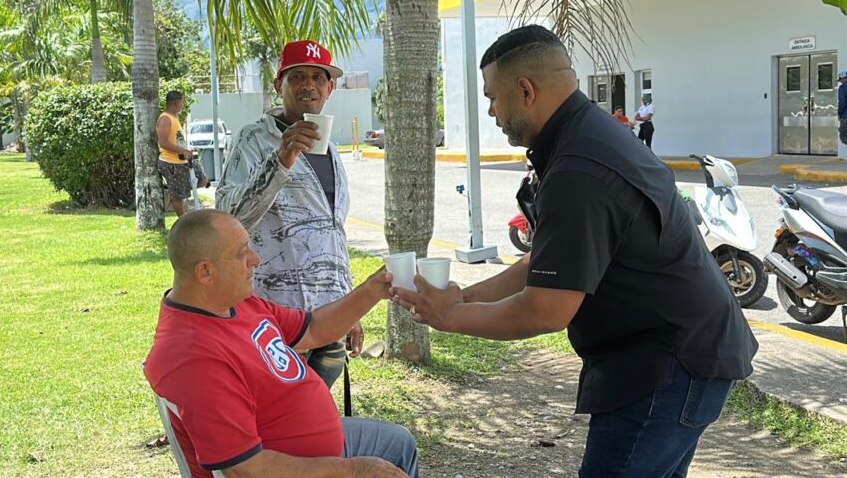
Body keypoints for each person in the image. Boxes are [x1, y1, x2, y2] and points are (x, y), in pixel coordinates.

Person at [392, 25, 758, 478]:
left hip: (667, 367)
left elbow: (546, 308)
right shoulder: (587, 136)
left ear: (525, 90)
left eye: (492, 97)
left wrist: (449, 318)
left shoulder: (578, 167)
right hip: (679, 356)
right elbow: (547, 263)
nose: (490, 111)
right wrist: (464, 298)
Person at [144, 210, 418, 478]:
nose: (255, 259)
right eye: (242, 254)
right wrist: (353, 470)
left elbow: (312, 329)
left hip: (311, 450)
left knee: (398, 444)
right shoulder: (194, 358)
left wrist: (371, 290)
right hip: (286, 467)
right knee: (390, 455)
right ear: (205, 271)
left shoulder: (234, 303)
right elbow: (246, 469)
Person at [216, 40, 358, 389]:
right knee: (281, 419)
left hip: (328, 319)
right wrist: (280, 159)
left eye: (317, 77)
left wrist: (349, 307)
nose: (308, 85)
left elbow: (332, 232)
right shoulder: (253, 139)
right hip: (277, 318)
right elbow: (228, 218)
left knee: (315, 419)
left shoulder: (331, 150)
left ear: (330, 88)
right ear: (279, 84)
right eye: (296, 77)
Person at [157, 90, 207, 217]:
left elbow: (175, 140)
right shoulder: (165, 119)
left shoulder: (175, 118)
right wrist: (182, 151)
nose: (183, 105)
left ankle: (182, 200)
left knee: (203, 180)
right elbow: (163, 143)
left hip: (183, 160)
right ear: (175, 102)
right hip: (171, 162)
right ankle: (182, 219)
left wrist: (186, 150)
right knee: (177, 195)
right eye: (182, 102)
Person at [837, 70, 847, 145]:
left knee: (843, 136)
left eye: (841, 79)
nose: (841, 81)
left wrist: (839, 114)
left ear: (845, 78)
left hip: (846, 116)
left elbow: (842, 102)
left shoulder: (842, 87)